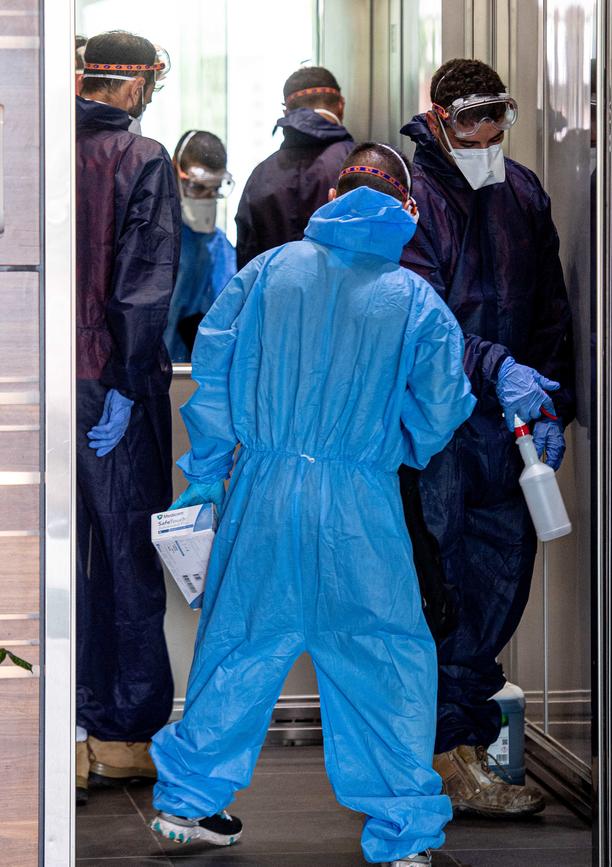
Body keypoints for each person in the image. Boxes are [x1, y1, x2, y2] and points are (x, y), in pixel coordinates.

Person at [148, 143, 476, 867]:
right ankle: (401, 836)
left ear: (333, 195)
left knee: (237, 646)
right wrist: (393, 445)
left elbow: (216, 371)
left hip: (262, 492)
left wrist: (207, 472)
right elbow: (444, 405)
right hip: (360, 502)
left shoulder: (267, 273)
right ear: (407, 209)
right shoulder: (413, 298)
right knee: (384, 657)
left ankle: (185, 804)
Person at [401, 58, 575, 817]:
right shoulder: (413, 197)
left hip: (509, 429)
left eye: (497, 117)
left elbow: (550, 303)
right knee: (440, 588)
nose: (487, 134)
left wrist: (550, 402)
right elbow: (418, 315)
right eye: (472, 120)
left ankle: (464, 744)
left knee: (501, 582)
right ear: (438, 119)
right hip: (439, 426)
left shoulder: (522, 191)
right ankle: (442, 755)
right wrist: (497, 368)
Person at [75, 30, 181, 805]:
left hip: (48, 386)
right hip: (115, 389)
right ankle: (118, 739)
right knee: (124, 563)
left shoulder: (36, 146)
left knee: (52, 566)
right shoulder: (142, 159)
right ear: (137, 82)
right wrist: (121, 383)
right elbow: (144, 283)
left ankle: (60, 733)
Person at [235, 66, 355, 269]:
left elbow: (248, 261)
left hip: (274, 299)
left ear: (286, 112)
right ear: (341, 105)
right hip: (347, 299)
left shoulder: (261, 174)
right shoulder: (360, 166)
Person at [163, 130, 237, 362]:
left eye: (214, 189)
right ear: (175, 171)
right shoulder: (156, 239)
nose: (206, 197)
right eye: (197, 187)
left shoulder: (219, 247)